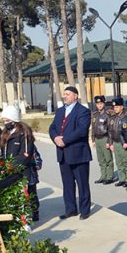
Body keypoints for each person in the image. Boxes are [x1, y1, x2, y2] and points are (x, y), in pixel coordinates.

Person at [48, 86, 92, 220]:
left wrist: (65, 140)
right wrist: (55, 138)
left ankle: (84, 210)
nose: (65, 96)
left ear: (75, 96)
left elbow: (82, 130)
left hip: (78, 154)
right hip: (63, 154)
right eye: (64, 94)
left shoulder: (83, 111)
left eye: (68, 94)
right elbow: (52, 127)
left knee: (82, 184)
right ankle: (70, 209)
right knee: (67, 185)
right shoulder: (60, 111)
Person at [0, 105, 40, 222]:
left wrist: (12, 165)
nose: (5, 123)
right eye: (4, 120)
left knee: (30, 194)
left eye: (8, 120)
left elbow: (25, 155)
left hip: (24, 171)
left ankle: (34, 213)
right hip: (9, 171)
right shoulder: (4, 133)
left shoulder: (24, 134)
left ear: (14, 120)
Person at [91, 95, 115, 185]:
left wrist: (109, 142)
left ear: (104, 104)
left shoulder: (107, 115)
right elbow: (93, 128)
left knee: (108, 159)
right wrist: (93, 139)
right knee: (101, 159)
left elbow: (110, 129)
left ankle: (109, 177)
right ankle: (103, 176)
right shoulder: (94, 115)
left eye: (101, 103)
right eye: (98, 104)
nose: (99, 105)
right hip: (97, 139)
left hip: (105, 138)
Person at [108, 98, 126, 187]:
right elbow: (110, 131)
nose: (115, 109)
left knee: (125, 161)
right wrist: (110, 143)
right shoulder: (113, 118)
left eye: (117, 107)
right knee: (119, 162)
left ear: (122, 107)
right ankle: (122, 178)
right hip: (115, 142)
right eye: (114, 107)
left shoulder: (125, 117)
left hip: (122, 142)